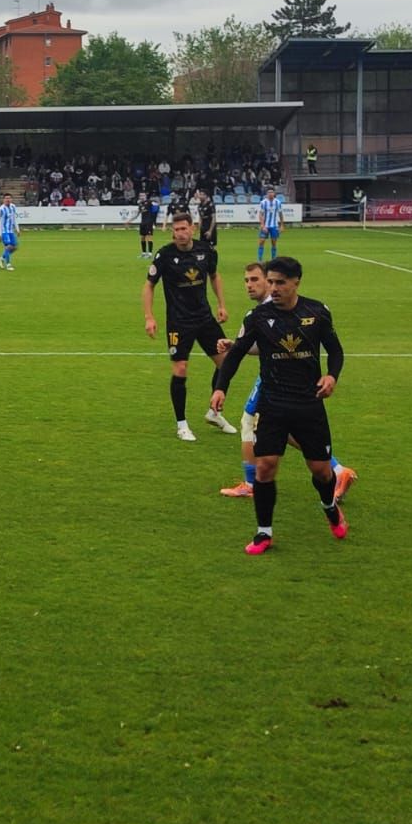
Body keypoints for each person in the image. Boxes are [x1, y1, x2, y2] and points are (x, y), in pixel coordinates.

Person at [210, 255, 347, 554]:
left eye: (280, 283)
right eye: (270, 281)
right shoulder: (257, 317)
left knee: (322, 471)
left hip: (308, 404)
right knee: (265, 468)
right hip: (272, 403)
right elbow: (235, 355)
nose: (273, 288)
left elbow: (336, 351)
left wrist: (332, 376)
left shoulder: (317, 312)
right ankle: (263, 533)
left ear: (296, 282)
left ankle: (329, 506)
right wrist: (221, 388)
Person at [142, 210, 234, 442]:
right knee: (180, 369)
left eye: (184, 229)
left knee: (226, 362)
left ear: (192, 228)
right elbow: (149, 285)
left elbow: (214, 276)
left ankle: (214, 413)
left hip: (204, 319)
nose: (180, 233)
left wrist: (221, 304)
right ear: (172, 231)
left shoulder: (206, 251)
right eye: (176, 230)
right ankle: (182, 424)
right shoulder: (164, 255)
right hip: (178, 323)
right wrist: (149, 317)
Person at [256, 186, 284, 262]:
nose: (270, 194)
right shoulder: (263, 202)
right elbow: (261, 214)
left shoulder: (278, 202)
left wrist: (281, 225)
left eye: (272, 192)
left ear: (274, 193)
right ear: (266, 194)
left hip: (274, 226)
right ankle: (259, 259)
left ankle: (273, 259)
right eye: (269, 192)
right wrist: (262, 225)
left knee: (274, 242)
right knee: (261, 241)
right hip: (265, 226)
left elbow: (280, 213)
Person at [0, 193, 20, 271]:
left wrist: (17, 229)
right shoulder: (1, 209)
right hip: (4, 231)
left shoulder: (13, 207)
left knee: (15, 247)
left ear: (11, 199)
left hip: (11, 231)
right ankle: (8, 264)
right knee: (8, 247)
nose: (8, 200)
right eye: (6, 198)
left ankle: (2, 258)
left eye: (9, 198)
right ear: (3, 200)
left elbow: (14, 219)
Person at [135, 193, 159, 259]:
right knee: (142, 238)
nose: (141, 197)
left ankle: (150, 254)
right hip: (142, 223)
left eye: (143, 195)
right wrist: (130, 220)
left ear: (145, 196)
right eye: (140, 196)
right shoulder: (140, 204)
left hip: (149, 223)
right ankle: (143, 253)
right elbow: (138, 213)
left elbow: (157, 205)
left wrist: (154, 220)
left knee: (149, 238)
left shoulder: (149, 202)